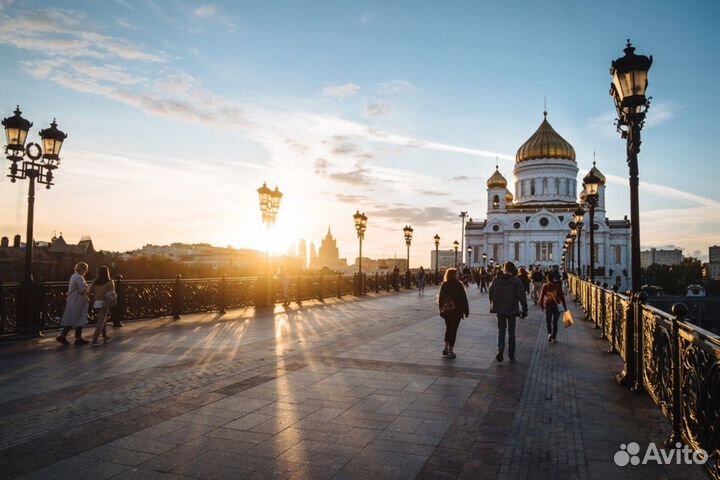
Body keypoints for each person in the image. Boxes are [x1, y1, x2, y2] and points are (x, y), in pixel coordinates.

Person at [489, 262, 528, 363]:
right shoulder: (516, 281)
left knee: (501, 331)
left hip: (500, 309)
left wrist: (493, 303)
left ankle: (500, 349)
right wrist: (524, 309)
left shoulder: (496, 280)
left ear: (504, 269)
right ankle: (511, 355)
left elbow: (490, 292)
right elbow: (522, 296)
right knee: (511, 333)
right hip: (512, 309)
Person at [438, 268, 469, 359]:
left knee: (448, 328)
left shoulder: (444, 284)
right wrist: (466, 311)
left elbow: (440, 298)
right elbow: (464, 299)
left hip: (447, 311)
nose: (458, 275)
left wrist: (441, 308)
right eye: (457, 274)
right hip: (457, 311)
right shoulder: (459, 285)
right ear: (454, 275)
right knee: (453, 330)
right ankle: (451, 351)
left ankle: (445, 347)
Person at [56, 262, 90, 345]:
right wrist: (89, 287)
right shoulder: (79, 277)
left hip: (73, 300)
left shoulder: (73, 276)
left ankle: (65, 336)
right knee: (79, 318)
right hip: (77, 301)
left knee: (72, 318)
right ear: (82, 269)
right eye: (85, 269)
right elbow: (82, 290)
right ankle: (75, 338)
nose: (86, 271)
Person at [88, 265, 115, 346]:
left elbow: (89, 291)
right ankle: (94, 340)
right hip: (104, 303)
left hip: (96, 303)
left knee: (103, 319)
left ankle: (105, 336)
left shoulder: (95, 282)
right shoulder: (110, 282)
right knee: (101, 322)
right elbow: (112, 293)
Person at [539, 272, 567, 343]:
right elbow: (561, 297)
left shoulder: (545, 286)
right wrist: (564, 306)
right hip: (556, 306)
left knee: (548, 321)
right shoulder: (557, 286)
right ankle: (554, 337)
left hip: (548, 306)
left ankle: (549, 334)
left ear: (547, 279)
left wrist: (542, 305)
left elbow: (541, 297)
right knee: (555, 322)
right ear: (554, 278)